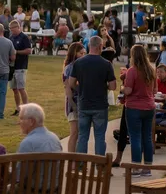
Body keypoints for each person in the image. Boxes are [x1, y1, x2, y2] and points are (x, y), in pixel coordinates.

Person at [66, 36, 117, 156]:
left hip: (84, 103)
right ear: (100, 46)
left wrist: (81, 88)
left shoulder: (78, 63)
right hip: (100, 105)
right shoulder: (106, 64)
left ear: (89, 46)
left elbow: (71, 83)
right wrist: (103, 86)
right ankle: (99, 165)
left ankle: (80, 166)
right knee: (99, 136)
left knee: (83, 136)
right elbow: (113, 86)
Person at [124, 44, 157, 176]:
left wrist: (122, 88)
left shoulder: (132, 71)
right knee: (147, 137)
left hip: (134, 107)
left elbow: (128, 90)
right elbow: (155, 90)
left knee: (135, 138)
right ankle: (147, 168)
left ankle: (136, 167)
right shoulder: (151, 70)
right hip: (149, 107)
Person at [62, 42, 85, 153]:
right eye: (81, 53)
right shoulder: (69, 68)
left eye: (84, 53)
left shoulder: (80, 65)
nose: (84, 55)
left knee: (79, 133)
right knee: (74, 133)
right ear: (74, 53)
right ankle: (71, 159)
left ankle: (76, 158)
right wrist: (73, 105)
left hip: (81, 101)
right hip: (73, 103)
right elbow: (68, 88)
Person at [8, 21, 32, 116]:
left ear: (17, 27)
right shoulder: (11, 38)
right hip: (12, 67)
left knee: (21, 88)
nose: (11, 31)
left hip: (21, 66)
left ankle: (26, 109)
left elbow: (29, 50)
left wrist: (16, 52)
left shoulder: (24, 37)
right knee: (14, 89)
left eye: (12, 28)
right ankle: (18, 108)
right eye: (10, 29)